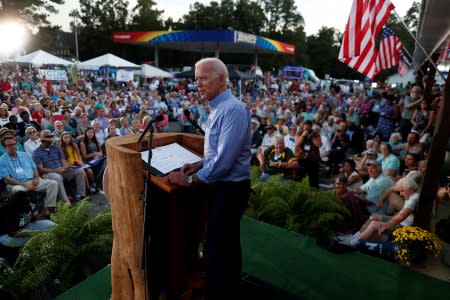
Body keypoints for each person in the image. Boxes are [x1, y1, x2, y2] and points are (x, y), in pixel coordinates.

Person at [168, 57, 251, 300]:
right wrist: (198, 165)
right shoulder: (218, 108)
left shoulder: (232, 110)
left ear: (221, 79)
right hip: (222, 188)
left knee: (219, 250)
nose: (198, 84)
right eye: (196, 80)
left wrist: (191, 181)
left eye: (203, 78)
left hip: (229, 190)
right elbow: (217, 154)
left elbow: (224, 162)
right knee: (222, 247)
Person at [0, 135, 58, 217]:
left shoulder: (25, 155)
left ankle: (47, 210)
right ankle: (30, 212)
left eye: (14, 144)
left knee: (53, 184)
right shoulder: (1, 161)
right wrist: (25, 185)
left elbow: (35, 168)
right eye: (10, 145)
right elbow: (7, 179)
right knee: (19, 190)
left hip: (32, 180)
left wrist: (37, 178)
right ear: (4, 147)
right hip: (16, 184)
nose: (13, 146)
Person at [32, 130, 86, 204]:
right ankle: (66, 202)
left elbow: (63, 160)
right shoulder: (36, 153)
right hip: (48, 173)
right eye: (48, 141)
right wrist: (56, 170)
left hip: (60, 170)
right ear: (43, 141)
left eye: (51, 140)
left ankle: (81, 195)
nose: (50, 142)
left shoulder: (56, 148)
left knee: (80, 170)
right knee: (57, 177)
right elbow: (41, 169)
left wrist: (65, 167)